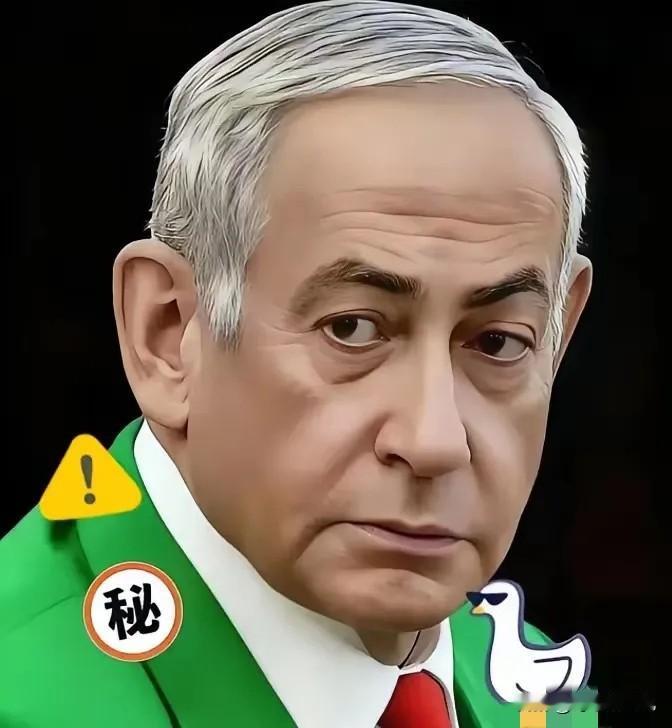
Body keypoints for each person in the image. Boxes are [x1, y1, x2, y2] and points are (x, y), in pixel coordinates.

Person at [0, 1, 594, 726]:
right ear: (168, 334)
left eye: (498, 342)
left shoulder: (546, 698)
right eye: (352, 329)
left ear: (560, 337)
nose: (435, 440)